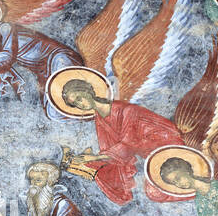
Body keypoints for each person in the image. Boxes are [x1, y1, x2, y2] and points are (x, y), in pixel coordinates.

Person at [54, 71, 189, 205]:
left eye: (79, 98)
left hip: (168, 146)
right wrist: (87, 160)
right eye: (75, 104)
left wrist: (94, 158)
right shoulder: (99, 119)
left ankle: (204, 190)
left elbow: (128, 144)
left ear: (88, 91)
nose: (80, 104)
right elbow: (109, 149)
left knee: (155, 192)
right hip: (152, 156)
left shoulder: (126, 110)